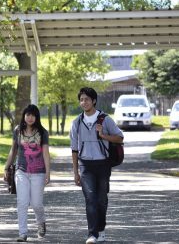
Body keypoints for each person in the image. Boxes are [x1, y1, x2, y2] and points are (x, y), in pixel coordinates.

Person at [70, 87, 124, 244]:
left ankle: (101, 230)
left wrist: (103, 135)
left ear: (93, 101)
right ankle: (92, 234)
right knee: (90, 199)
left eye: (87, 99)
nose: (84, 102)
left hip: (103, 164)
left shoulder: (105, 119)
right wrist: (75, 172)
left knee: (101, 200)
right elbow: (74, 149)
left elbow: (120, 138)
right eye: (81, 99)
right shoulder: (77, 122)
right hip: (85, 165)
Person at [3, 104, 51, 242]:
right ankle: (22, 233)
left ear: (37, 117)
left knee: (36, 204)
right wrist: (6, 167)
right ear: (24, 116)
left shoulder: (43, 132)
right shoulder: (18, 130)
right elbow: (13, 151)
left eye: (33, 115)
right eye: (28, 115)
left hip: (39, 172)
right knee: (22, 202)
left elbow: (46, 154)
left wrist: (48, 172)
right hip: (21, 171)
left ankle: (41, 222)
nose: (30, 118)